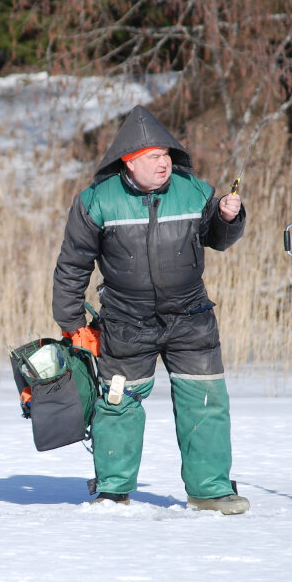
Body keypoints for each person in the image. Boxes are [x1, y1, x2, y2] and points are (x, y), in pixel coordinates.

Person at [52, 105, 250, 514]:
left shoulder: (194, 190)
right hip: (126, 321)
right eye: (154, 158)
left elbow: (218, 237)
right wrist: (72, 323)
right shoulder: (95, 202)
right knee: (118, 402)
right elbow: (73, 265)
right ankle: (113, 489)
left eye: (166, 155)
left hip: (192, 317)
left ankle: (211, 491)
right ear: (129, 162)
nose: (164, 164)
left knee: (206, 400)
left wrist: (229, 217)